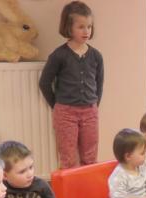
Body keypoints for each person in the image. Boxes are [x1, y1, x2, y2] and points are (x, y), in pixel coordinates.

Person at [39, 1, 103, 168]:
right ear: (69, 27)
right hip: (65, 113)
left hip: (90, 112)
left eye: (89, 26)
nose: (86, 31)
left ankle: (87, 192)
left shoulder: (96, 56)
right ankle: (69, 193)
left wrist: (94, 105)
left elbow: (99, 83)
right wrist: (57, 105)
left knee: (90, 157)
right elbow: (44, 82)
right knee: (68, 158)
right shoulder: (59, 55)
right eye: (81, 27)